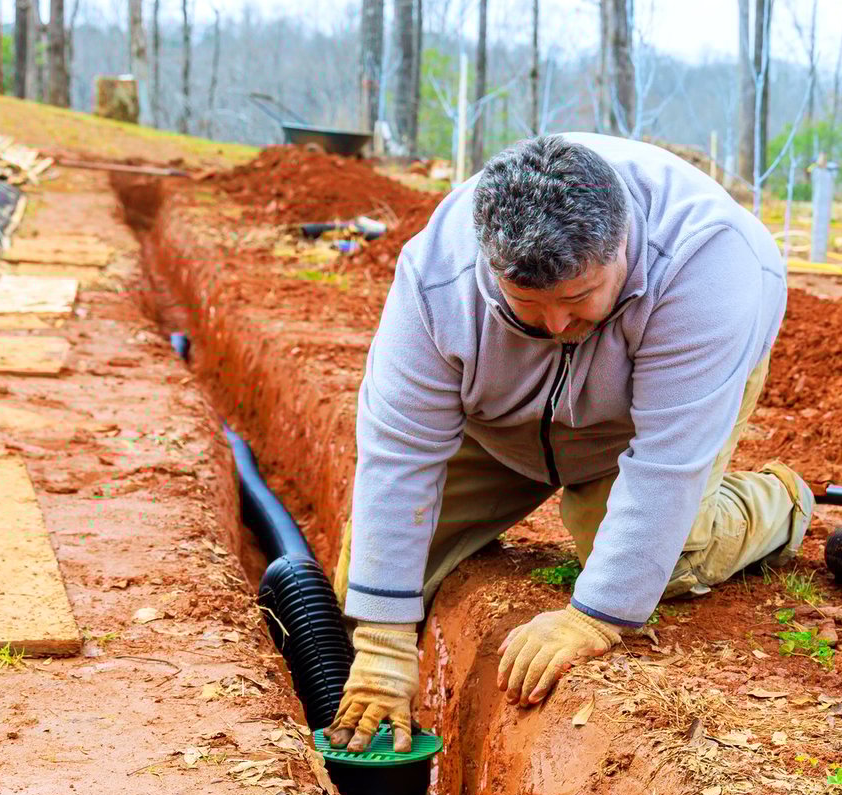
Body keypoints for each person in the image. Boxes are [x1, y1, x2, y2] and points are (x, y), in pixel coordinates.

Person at [329, 133, 812, 752]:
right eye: (527, 304)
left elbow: (666, 463)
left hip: (640, 420)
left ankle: (779, 503)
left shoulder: (709, 269)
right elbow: (400, 454)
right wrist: (382, 652)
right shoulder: (438, 275)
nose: (556, 326)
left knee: (667, 558)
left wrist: (594, 617)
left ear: (622, 247)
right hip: (501, 417)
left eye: (579, 300)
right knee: (363, 584)